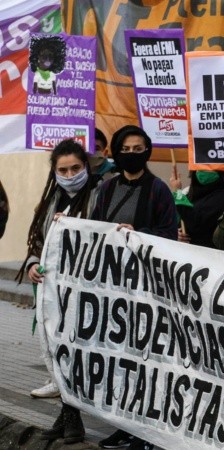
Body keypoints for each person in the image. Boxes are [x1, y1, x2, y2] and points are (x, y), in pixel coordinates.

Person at [93, 125, 176, 450]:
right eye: (125, 149)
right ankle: (123, 425)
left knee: (146, 363)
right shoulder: (107, 189)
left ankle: (146, 432)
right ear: (116, 151)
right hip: (114, 289)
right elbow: (95, 230)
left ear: (147, 150)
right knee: (120, 362)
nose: (131, 154)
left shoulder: (157, 190)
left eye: (137, 148)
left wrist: (138, 233)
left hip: (147, 292)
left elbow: (169, 235)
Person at [17, 139, 99, 443]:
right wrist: (33, 264)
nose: (70, 174)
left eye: (75, 168)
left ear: (86, 167)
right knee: (59, 351)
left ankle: (72, 417)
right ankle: (68, 416)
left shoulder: (99, 195)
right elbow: (38, 239)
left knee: (77, 354)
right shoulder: (52, 199)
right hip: (54, 291)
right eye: (63, 169)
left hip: (87, 292)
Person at [170, 169, 224, 248]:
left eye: (207, 167)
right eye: (198, 168)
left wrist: (178, 193)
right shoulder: (190, 193)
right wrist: (176, 233)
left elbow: (197, 223)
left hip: (209, 255)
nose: (201, 170)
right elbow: (180, 219)